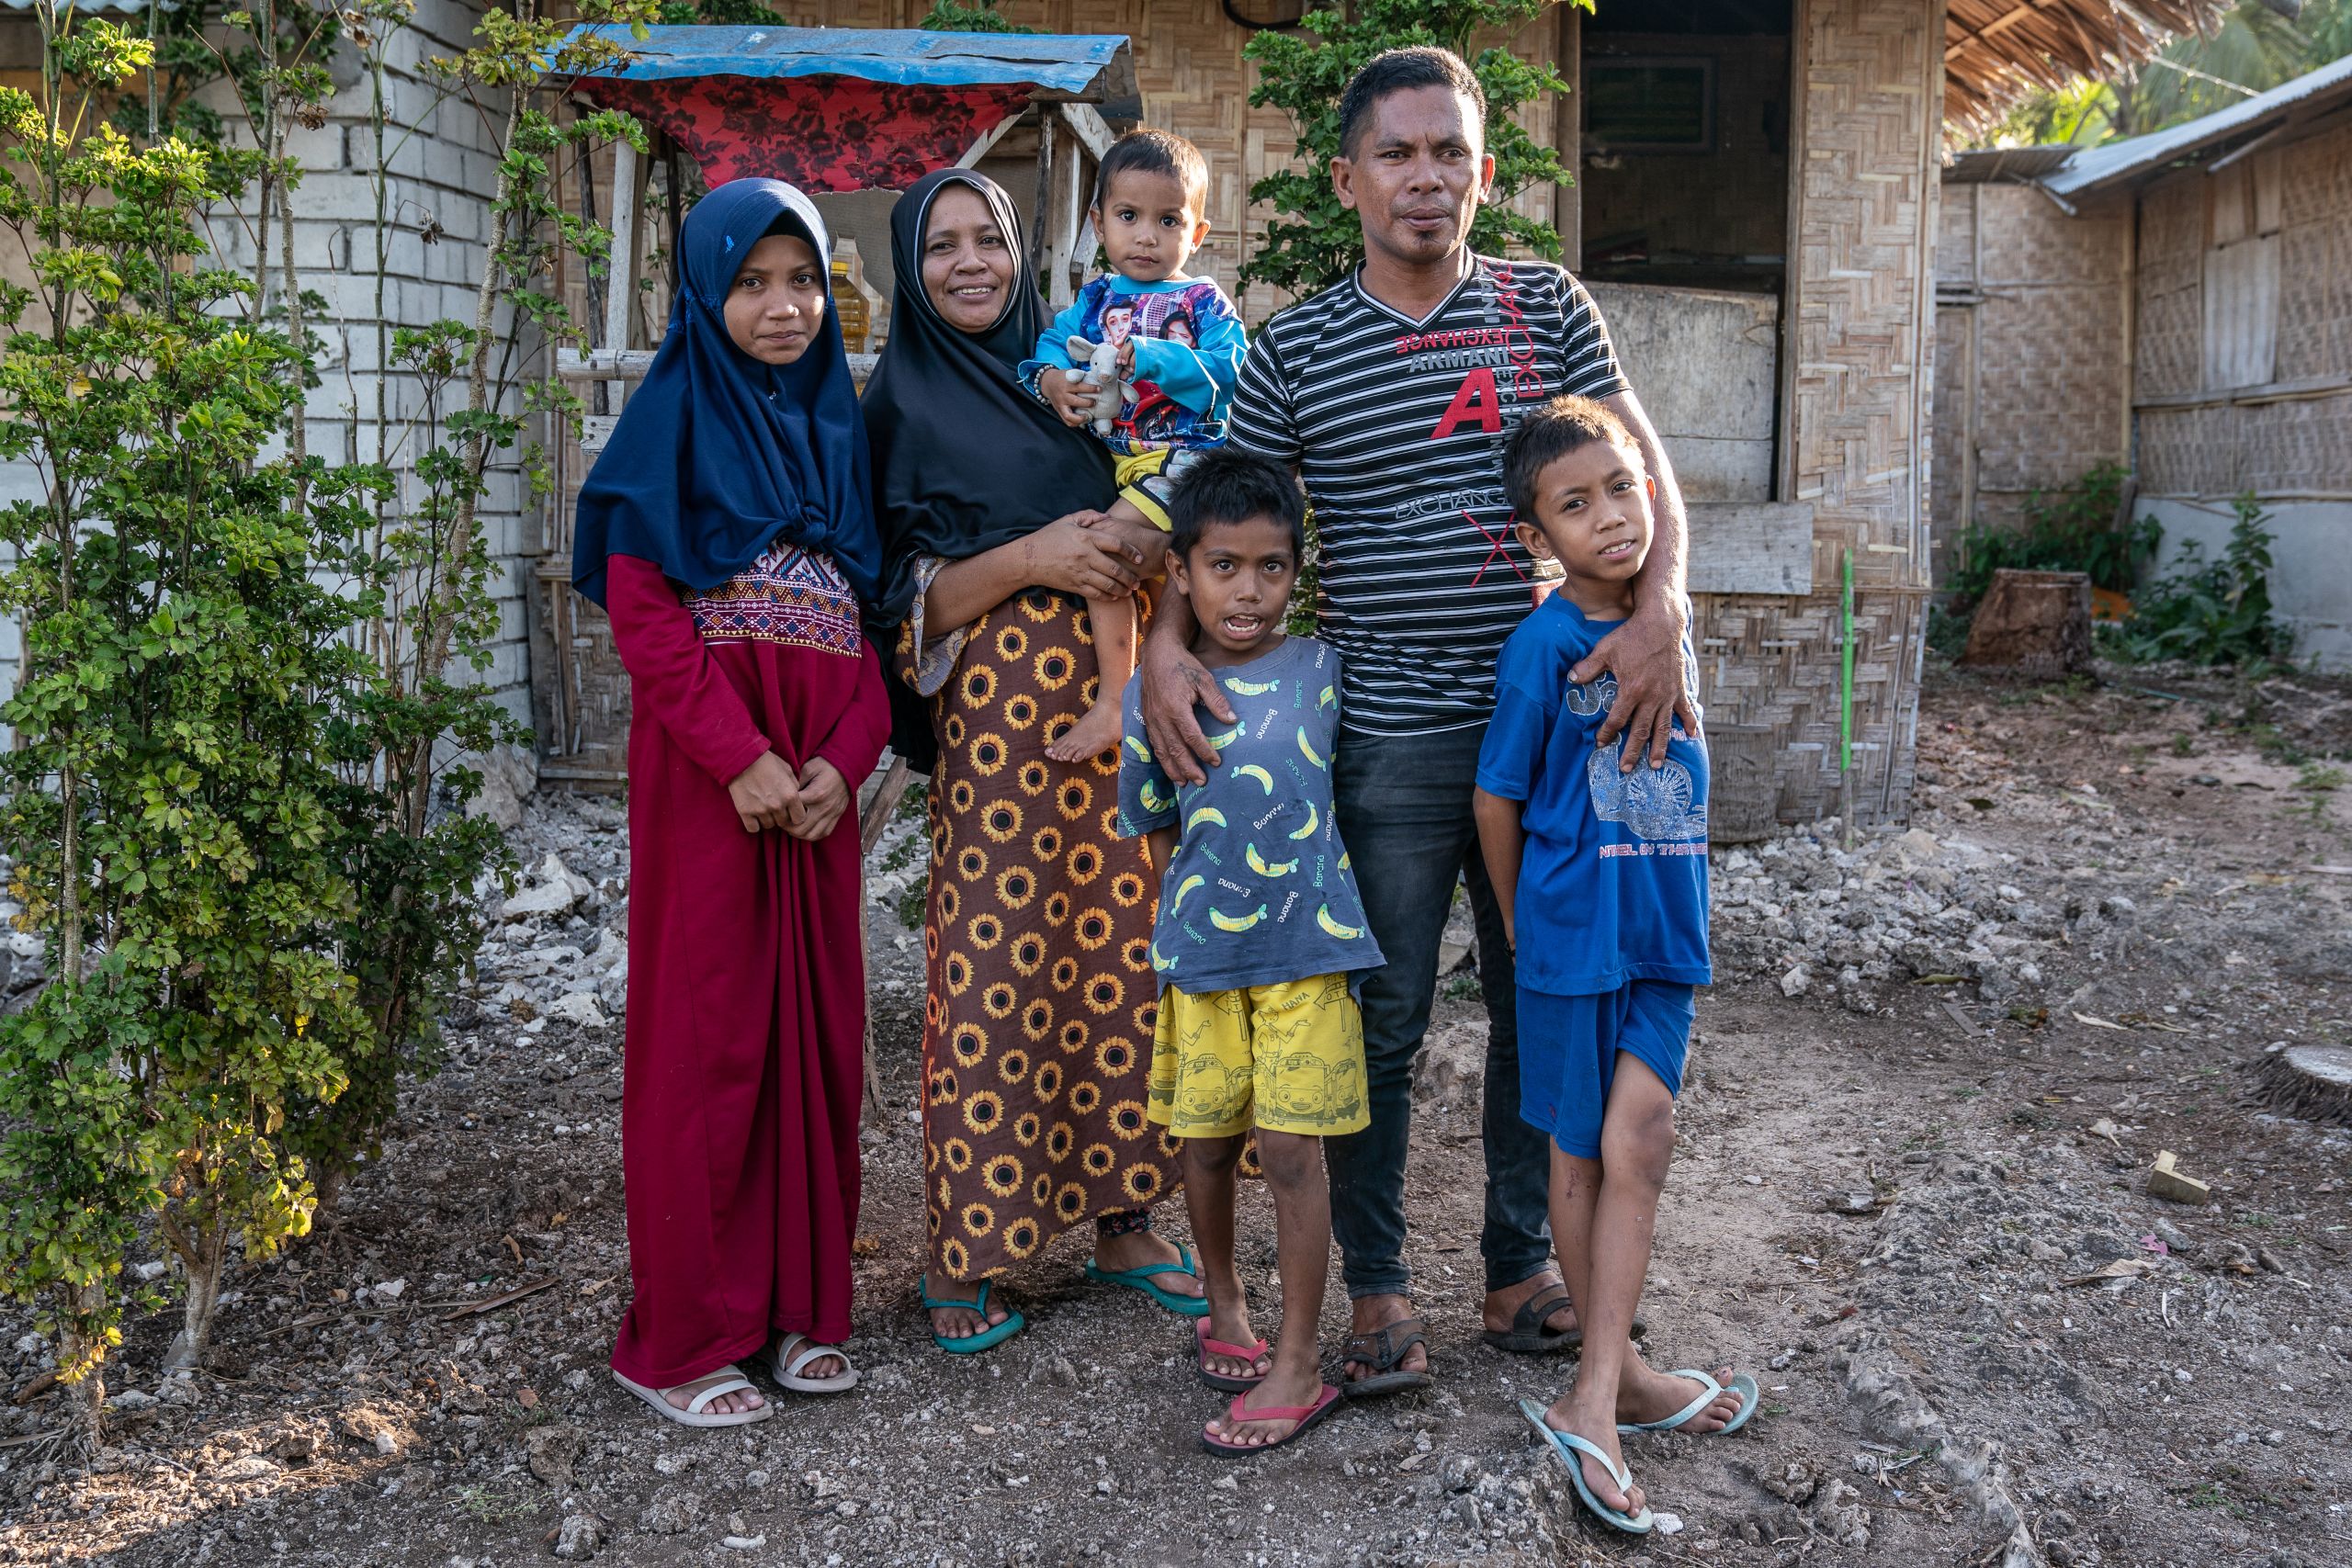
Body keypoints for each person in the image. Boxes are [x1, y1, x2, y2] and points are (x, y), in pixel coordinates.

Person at [1138, 46, 1702, 1395]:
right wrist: (1161, 645)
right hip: (1385, 734)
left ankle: (1518, 1267)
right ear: (1348, 178)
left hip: (1561, 732)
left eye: (1450, 151)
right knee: (1380, 1015)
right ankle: (1382, 1282)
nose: (1426, 177)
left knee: (1539, 998)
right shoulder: (1296, 351)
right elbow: (1219, 522)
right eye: (1397, 152)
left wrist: (1665, 605)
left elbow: (1642, 464)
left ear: (1484, 172)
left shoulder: (1544, 310)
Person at [865, 168, 1204, 1355]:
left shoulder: (1076, 384)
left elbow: (1173, 506)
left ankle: (1126, 1220)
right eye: (943, 245)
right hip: (1001, 729)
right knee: (996, 971)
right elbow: (903, 605)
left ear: (1025, 254)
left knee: (1125, 957)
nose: (970, 264)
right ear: (911, 267)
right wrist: (1033, 557)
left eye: (990, 241)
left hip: (1122, 709)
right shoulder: (901, 408)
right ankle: (970, 1250)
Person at [572, 179, 890, 1427]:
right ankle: (683, 1339)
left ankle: (802, 1310)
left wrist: (843, 760)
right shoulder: (673, 421)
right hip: (717, 785)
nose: (784, 306)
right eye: (753, 281)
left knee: (817, 1042)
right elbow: (645, 613)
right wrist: (742, 757)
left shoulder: (835, 433)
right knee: (712, 1047)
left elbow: (863, 630)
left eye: (803, 279)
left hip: (813, 792)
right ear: (707, 293)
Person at [1471, 396, 1756, 1532]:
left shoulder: (1668, 623)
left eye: (1622, 488)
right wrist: (1516, 924)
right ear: (1537, 536)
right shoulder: (1543, 643)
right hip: (1568, 938)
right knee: (1588, 1151)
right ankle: (1607, 1382)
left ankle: (1609, 1380)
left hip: (1662, 935)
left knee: (1647, 1136)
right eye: (1572, 505)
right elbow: (1497, 792)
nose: (1609, 518)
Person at [1115, 451, 1384, 1455]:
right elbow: (1152, 827)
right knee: (1207, 1146)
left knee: (1293, 1153)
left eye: (1272, 568)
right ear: (1181, 573)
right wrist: (1186, 927)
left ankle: (1301, 1359)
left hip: (1307, 955)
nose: (1249, 589)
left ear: (1295, 575)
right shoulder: (1164, 690)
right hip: (1204, 962)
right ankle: (1224, 1303)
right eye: (1224, 566)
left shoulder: (1322, 669)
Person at [1020, 130, 1247, 766]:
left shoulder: (1201, 302)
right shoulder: (1093, 302)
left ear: (1196, 233)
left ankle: (1117, 700)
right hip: (1122, 467)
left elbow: (1237, 370)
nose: (1146, 235)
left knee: (1102, 551)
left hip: (1186, 458)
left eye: (1168, 219)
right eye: (1128, 216)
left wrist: (1154, 357)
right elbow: (1045, 350)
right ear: (1098, 223)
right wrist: (1052, 379)